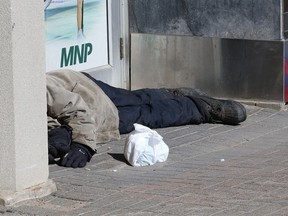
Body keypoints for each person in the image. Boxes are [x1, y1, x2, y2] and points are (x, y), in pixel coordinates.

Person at [47, 69, 247, 168]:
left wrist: (83, 145)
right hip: (78, 112)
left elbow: (75, 109)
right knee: (136, 103)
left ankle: (202, 108)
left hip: (81, 89)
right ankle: (171, 95)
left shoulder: (29, 90)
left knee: (144, 112)